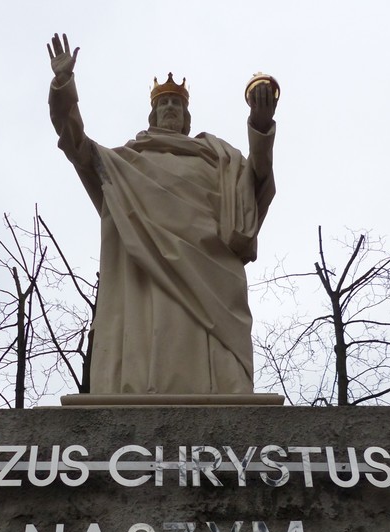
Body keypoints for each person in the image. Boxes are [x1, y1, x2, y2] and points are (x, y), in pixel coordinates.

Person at [48, 34, 277, 395]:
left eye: (176, 104)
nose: (170, 107)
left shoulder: (219, 157)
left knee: (217, 370)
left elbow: (255, 189)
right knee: (153, 338)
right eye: (164, 103)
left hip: (211, 275)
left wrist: (260, 129)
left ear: (187, 118)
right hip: (148, 272)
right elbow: (76, 145)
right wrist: (63, 86)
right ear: (153, 115)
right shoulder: (126, 161)